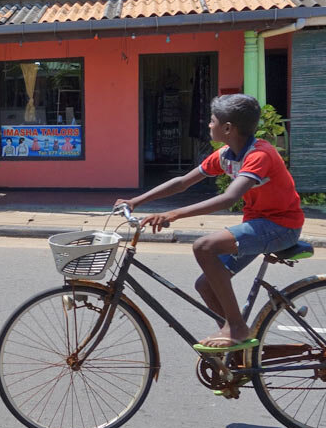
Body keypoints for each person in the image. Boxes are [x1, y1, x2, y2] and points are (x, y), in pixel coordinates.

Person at [116, 94, 303, 352]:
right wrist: (136, 201)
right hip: (258, 224)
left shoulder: (260, 155)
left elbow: (229, 198)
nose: (208, 125)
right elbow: (182, 182)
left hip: (282, 227)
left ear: (228, 128)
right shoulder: (227, 155)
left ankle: (236, 328)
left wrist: (173, 214)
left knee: (204, 246)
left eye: (212, 120)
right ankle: (237, 349)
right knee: (205, 284)